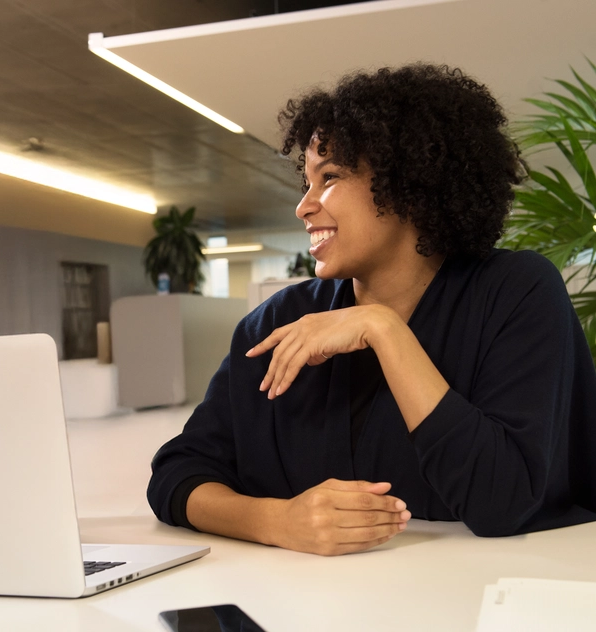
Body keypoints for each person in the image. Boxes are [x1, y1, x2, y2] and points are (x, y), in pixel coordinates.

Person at [147, 64, 596, 556]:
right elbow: (177, 475)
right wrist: (276, 520)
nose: (304, 205)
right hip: (307, 614)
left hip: (471, 607)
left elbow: (502, 500)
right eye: (307, 182)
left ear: (409, 183)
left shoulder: (516, 293)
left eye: (330, 177)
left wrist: (384, 329)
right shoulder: (278, 322)